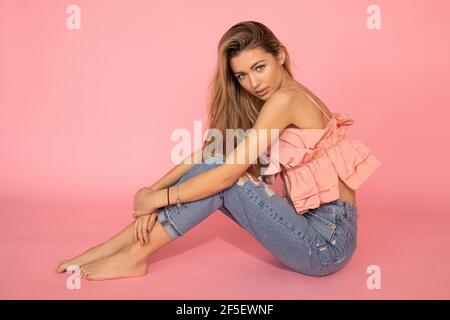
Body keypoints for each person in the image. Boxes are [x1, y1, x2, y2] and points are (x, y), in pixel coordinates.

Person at [55, 21, 380, 280]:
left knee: (227, 179)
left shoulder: (286, 100)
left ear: (279, 55)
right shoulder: (285, 97)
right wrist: (151, 192)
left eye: (259, 67)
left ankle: (133, 257)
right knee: (219, 161)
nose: (253, 83)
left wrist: (158, 199)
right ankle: (110, 249)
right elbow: (208, 155)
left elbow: (226, 173)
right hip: (317, 231)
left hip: (325, 246)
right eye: (242, 75)